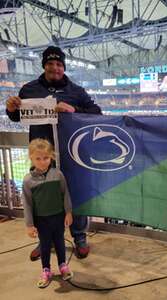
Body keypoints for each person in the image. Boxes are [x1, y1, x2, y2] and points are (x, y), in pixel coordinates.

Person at [6, 46, 102, 260]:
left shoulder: (76, 91)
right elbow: (15, 117)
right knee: (43, 199)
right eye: (50, 64)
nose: (55, 68)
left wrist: (73, 110)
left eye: (59, 64)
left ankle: (79, 237)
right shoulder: (29, 89)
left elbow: (97, 112)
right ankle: (45, 240)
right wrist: (11, 109)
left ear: (64, 66)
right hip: (43, 156)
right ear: (44, 65)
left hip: (71, 153)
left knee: (75, 195)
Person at [23, 139, 73, 288]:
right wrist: (29, 225)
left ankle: (63, 265)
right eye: (38, 158)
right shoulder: (27, 181)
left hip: (58, 217)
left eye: (45, 158)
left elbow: (65, 195)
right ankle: (46, 270)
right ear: (31, 158)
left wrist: (68, 212)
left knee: (59, 242)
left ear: (51, 157)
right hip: (41, 221)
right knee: (44, 246)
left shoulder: (58, 175)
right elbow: (27, 204)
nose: (42, 162)